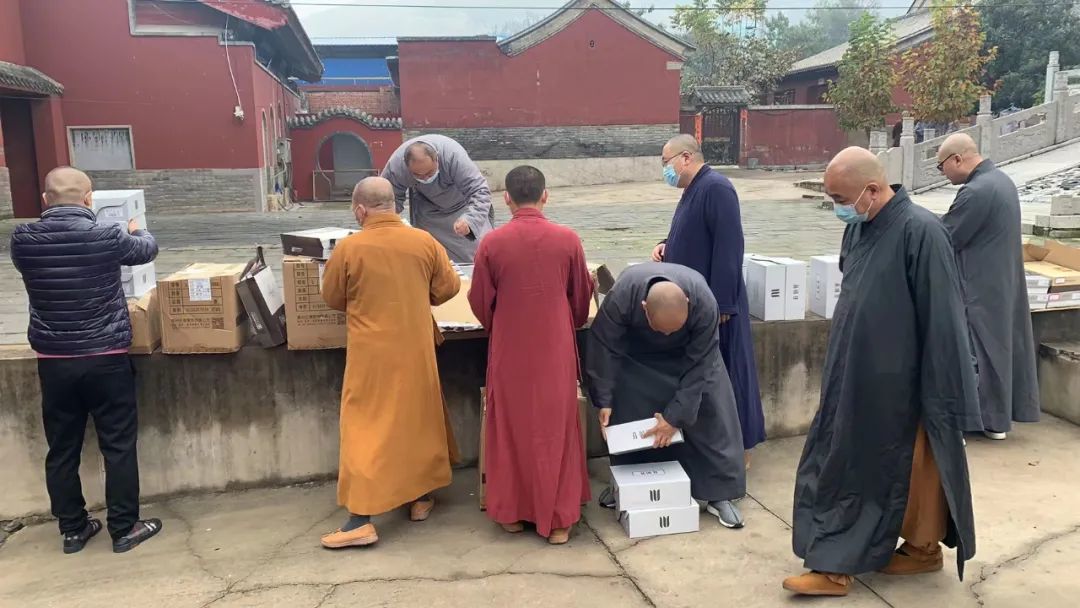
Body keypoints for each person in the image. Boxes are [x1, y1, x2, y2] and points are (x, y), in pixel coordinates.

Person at [785, 148, 981, 597]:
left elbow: (944, 317)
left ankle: (837, 566)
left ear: (872, 190)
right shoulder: (859, 226)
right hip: (853, 367)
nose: (836, 207)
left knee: (882, 468)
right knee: (848, 460)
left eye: (840, 198)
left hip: (898, 380)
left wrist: (946, 394)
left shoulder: (922, 232)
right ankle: (918, 549)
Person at [9, 167, 162, 554]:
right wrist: (136, 229)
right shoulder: (107, 236)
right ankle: (124, 529)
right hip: (106, 357)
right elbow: (146, 250)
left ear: (45, 200)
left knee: (62, 448)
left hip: (54, 361)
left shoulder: (22, 239)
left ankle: (73, 530)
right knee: (118, 445)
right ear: (89, 198)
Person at [319, 176, 462, 549]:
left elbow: (332, 297)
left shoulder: (349, 249)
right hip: (417, 350)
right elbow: (448, 288)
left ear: (360, 211)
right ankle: (420, 498)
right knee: (416, 420)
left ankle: (360, 520)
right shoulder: (424, 241)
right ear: (395, 207)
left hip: (372, 356)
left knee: (365, 427)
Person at [467, 165, 594, 545]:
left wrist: (501, 322)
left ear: (506, 198)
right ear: (545, 196)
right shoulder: (567, 240)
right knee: (556, 429)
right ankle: (558, 521)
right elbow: (580, 300)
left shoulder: (491, 243)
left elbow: (480, 302)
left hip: (510, 347)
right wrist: (565, 320)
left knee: (510, 427)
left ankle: (511, 513)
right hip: (555, 348)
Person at [586, 263, 747, 528]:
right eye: (662, 329)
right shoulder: (622, 297)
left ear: (688, 304)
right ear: (643, 308)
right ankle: (626, 487)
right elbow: (603, 346)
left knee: (711, 411)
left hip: (692, 356)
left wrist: (675, 417)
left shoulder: (705, 302)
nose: (668, 335)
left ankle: (719, 493)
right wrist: (603, 399)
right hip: (638, 355)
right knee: (626, 407)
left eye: (674, 328)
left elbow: (701, 363)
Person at [653, 134, 765, 466]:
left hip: (718, 306)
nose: (665, 170)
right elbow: (690, 232)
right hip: (696, 303)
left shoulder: (716, 188)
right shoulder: (693, 190)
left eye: (666, 162)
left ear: (686, 158)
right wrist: (665, 244)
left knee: (729, 377)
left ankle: (740, 449)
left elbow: (729, 247)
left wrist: (723, 304)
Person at [938, 133, 1040, 440]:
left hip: (978, 286)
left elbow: (947, 236)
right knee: (999, 349)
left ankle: (978, 421)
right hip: (1000, 282)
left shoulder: (976, 191)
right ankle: (997, 420)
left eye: (941, 167)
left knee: (977, 353)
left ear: (957, 159)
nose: (943, 174)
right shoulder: (1002, 182)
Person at [382, 134, 494, 263]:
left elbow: (480, 190)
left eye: (429, 172)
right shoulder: (397, 166)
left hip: (462, 206)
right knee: (431, 257)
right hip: (427, 210)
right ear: (406, 166)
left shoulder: (453, 155)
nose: (425, 178)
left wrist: (471, 219)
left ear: (437, 159)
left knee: (480, 255)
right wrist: (389, 223)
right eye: (417, 175)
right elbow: (387, 199)